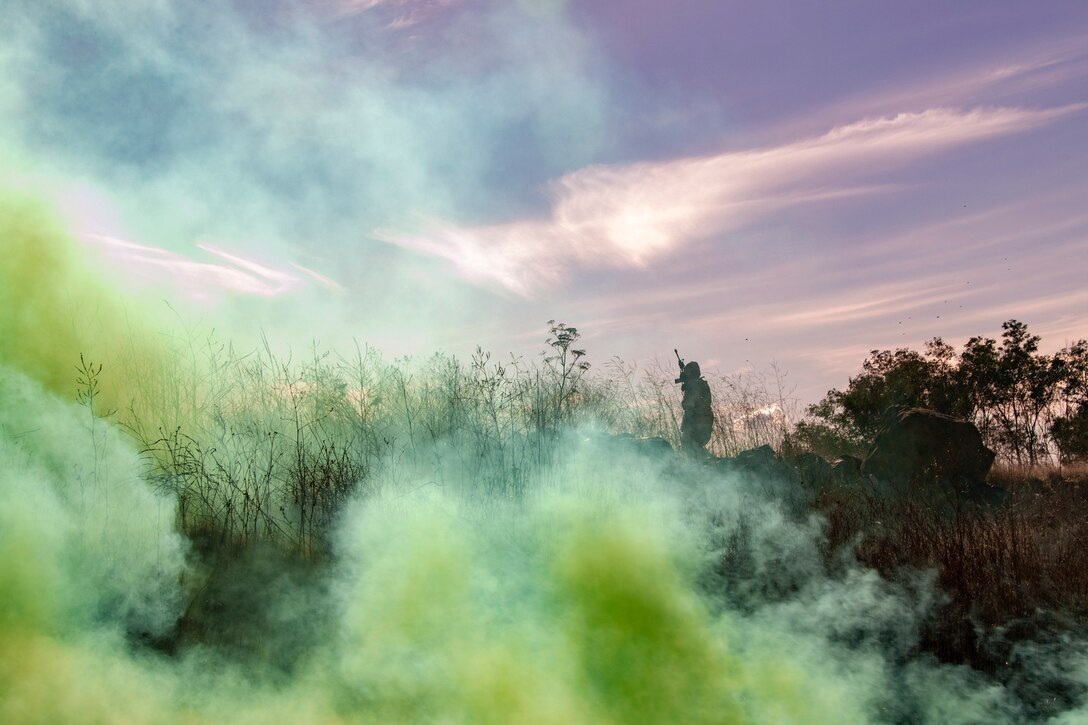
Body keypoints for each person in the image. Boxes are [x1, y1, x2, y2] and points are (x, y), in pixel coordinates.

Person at [676, 359, 714, 456]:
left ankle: (703, 464)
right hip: (704, 419)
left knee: (690, 446)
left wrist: (685, 404)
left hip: (695, 420)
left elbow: (690, 403)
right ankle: (706, 463)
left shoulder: (694, 384)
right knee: (695, 446)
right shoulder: (702, 383)